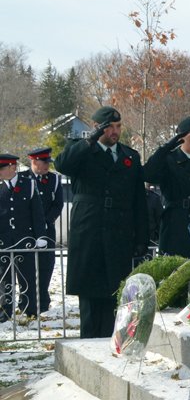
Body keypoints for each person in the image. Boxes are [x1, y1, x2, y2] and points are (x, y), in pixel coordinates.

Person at [55, 106, 149, 339]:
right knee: (89, 296)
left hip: (118, 232)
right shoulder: (82, 152)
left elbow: (139, 201)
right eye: (109, 127)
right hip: (89, 232)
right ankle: (88, 341)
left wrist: (141, 238)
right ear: (98, 128)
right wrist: (91, 139)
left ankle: (113, 342)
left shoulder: (130, 156)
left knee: (115, 294)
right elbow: (63, 165)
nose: (115, 131)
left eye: (118, 126)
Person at [143, 116, 190, 259]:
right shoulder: (169, 160)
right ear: (181, 138)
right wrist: (166, 148)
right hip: (176, 225)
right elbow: (148, 174)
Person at [0, 154, 46, 320]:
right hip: (5, 241)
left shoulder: (29, 185)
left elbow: (37, 214)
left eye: (2, 168)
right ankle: (5, 310)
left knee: (27, 276)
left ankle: (30, 309)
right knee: (5, 278)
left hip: (24, 240)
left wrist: (40, 236)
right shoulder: (1, 187)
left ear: (13, 167)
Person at [23, 147, 64, 314]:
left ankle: (43, 301)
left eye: (48, 162)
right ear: (34, 161)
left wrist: (46, 221)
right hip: (27, 231)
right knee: (27, 268)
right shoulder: (22, 178)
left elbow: (58, 204)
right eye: (44, 162)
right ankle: (27, 302)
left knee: (46, 265)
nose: (47, 165)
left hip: (47, 230)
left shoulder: (53, 180)